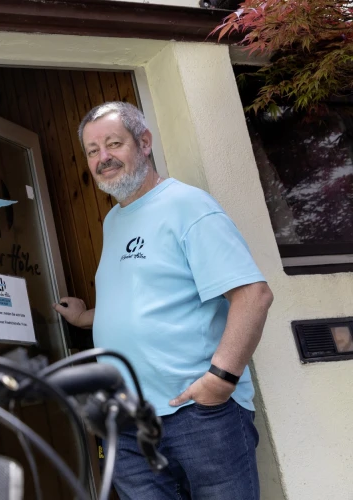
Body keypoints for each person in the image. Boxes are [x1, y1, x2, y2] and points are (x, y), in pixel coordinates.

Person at [54, 101, 273, 500]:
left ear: (144, 142)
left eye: (114, 144)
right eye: (92, 151)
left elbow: (253, 295)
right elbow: (143, 300)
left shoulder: (187, 205)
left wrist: (220, 381)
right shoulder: (113, 220)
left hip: (196, 414)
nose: (103, 158)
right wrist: (86, 316)